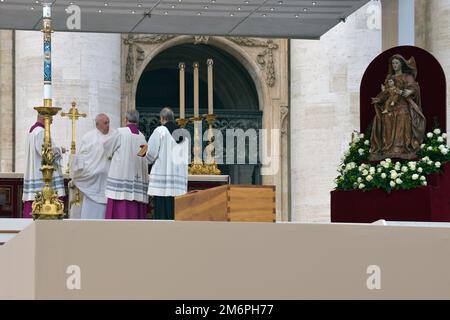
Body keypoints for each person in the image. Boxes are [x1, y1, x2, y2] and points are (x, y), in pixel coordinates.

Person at [370, 54, 426, 161]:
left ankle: (401, 147)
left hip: (403, 103)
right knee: (386, 117)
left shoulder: (407, 76)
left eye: (397, 63)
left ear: (402, 64)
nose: (395, 65)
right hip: (390, 104)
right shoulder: (389, 78)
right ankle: (388, 147)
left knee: (402, 115)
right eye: (393, 63)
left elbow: (415, 87)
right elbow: (386, 93)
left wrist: (410, 91)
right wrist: (379, 99)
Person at [140, 107, 189, 220]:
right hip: (177, 182)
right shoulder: (184, 135)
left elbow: (151, 154)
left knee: (162, 215)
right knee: (176, 215)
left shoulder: (160, 131)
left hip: (162, 183)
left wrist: (141, 153)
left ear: (162, 118)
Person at [104, 110, 149, 219]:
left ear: (125, 119)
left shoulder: (120, 132)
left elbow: (107, 147)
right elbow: (142, 159)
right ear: (137, 121)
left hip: (121, 177)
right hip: (137, 180)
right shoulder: (142, 137)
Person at [71, 114, 115, 219]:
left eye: (108, 122)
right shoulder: (88, 136)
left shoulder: (115, 134)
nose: (108, 125)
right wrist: (83, 170)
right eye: (105, 123)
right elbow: (81, 156)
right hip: (92, 179)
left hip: (108, 179)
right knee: (90, 213)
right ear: (97, 125)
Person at [22, 114, 66, 218]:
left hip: (36, 173)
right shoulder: (41, 132)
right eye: (51, 118)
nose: (52, 120)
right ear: (44, 118)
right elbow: (45, 153)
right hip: (42, 178)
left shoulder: (33, 131)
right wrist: (60, 150)